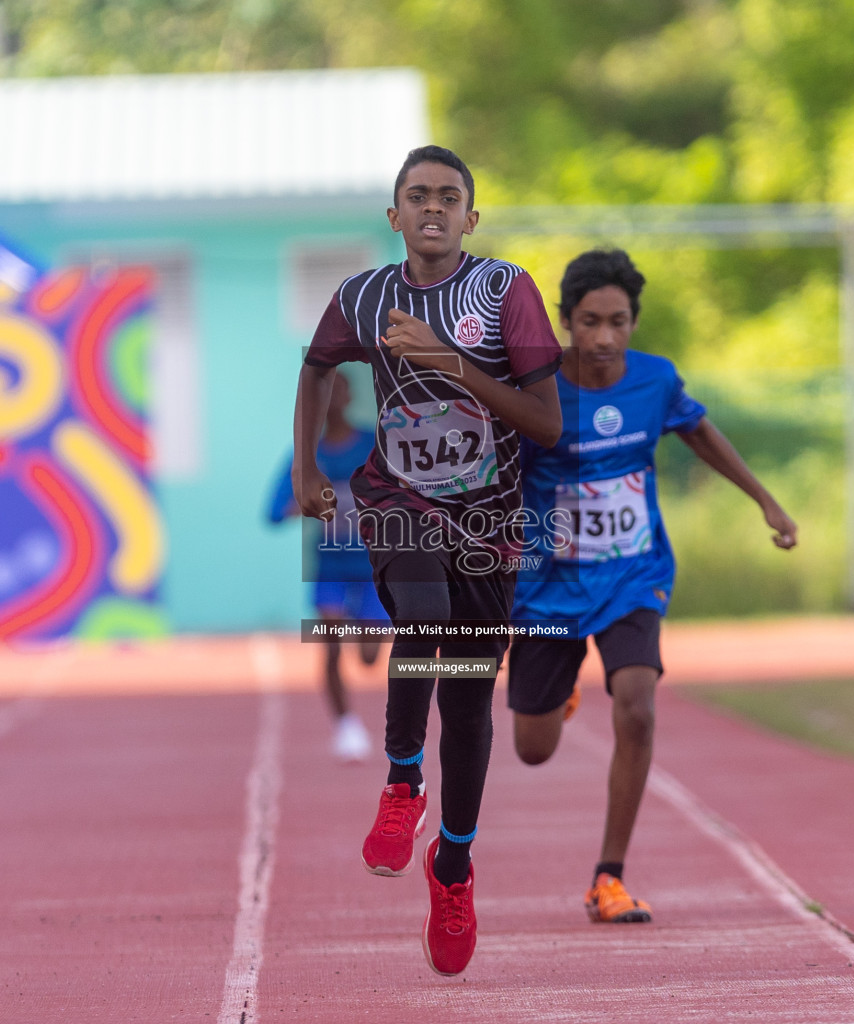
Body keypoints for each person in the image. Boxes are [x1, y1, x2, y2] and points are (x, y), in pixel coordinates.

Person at [292, 145, 563, 976]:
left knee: (471, 699)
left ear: (471, 217)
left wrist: (446, 361)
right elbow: (315, 366)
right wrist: (307, 466)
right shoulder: (363, 298)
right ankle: (402, 779)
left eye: (450, 196)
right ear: (395, 215)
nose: (434, 208)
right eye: (418, 196)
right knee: (423, 618)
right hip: (396, 499)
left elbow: (545, 423)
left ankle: (453, 864)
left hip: (489, 516)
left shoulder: (504, 292)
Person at [508, 248, 797, 924]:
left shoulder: (656, 382)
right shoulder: (535, 389)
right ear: (565, 322)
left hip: (633, 574)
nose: (604, 338)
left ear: (635, 322)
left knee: (637, 704)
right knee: (532, 748)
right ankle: (564, 685)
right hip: (548, 589)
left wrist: (766, 501)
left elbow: (699, 433)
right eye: (588, 323)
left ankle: (608, 877)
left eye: (617, 322)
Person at [267, 368, 381, 762]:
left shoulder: (372, 445)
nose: (334, 400)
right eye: (326, 393)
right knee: (331, 645)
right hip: (330, 567)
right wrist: (299, 505)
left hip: (371, 569)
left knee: (368, 657)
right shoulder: (307, 454)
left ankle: (367, 639)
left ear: (349, 399)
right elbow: (273, 511)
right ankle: (345, 725)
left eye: (341, 392)